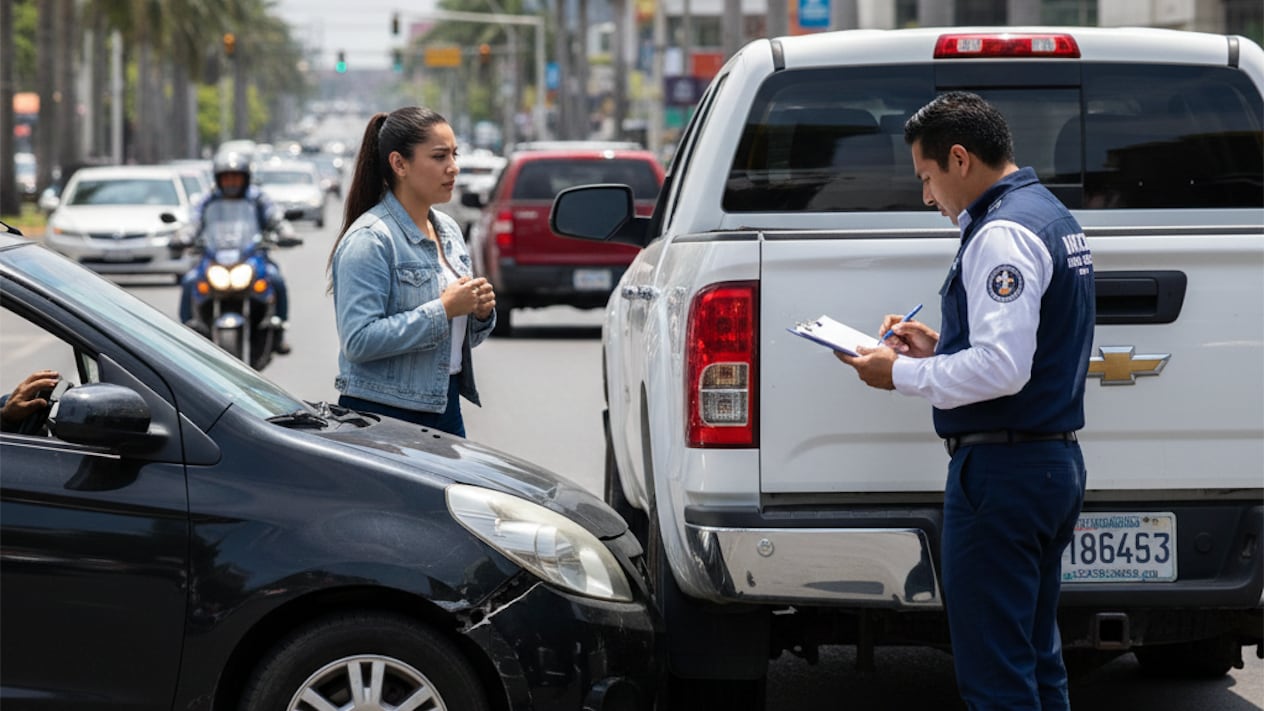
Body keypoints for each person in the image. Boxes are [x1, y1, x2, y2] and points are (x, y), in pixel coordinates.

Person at [835, 92, 1095, 711]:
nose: (927, 197)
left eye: (927, 178)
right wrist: (938, 347)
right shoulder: (1048, 214)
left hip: (1003, 475)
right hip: (1048, 466)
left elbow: (1002, 368)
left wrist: (898, 373)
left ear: (959, 159)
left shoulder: (1001, 234)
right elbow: (1027, 347)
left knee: (996, 677)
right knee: (1035, 660)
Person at [327, 107, 496, 437]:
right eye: (439, 156)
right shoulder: (371, 238)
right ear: (399, 164)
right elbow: (358, 341)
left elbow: (456, 339)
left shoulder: (447, 229)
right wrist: (444, 309)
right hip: (382, 412)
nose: (453, 167)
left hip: (443, 405)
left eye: (454, 154)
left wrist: (479, 312)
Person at [178, 152, 294, 354]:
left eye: (236, 177)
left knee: (276, 279)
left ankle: (278, 333)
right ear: (218, 179)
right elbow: (193, 221)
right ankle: (186, 335)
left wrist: (285, 231)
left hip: (250, 257)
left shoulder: (257, 198)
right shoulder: (208, 200)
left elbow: (274, 216)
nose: (231, 182)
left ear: (245, 178)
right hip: (215, 257)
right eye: (226, 177)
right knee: (189, 281)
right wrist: (184, 236)